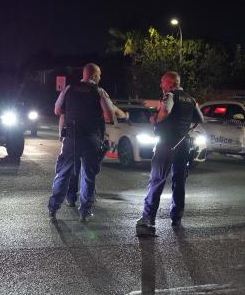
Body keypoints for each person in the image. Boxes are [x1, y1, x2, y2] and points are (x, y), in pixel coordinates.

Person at [135, 71, 204, 233]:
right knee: (179, 181)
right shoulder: (191, 99)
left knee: (157, 179)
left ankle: (148, 219)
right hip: (183, 144)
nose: (161, 85)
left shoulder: (170, 96)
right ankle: (177, 218)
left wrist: (155, 119)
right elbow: (200, 119)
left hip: (167, 143)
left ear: (170, 83)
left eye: (162, 82)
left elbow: (165, 111)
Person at [48, 63, 117, 222]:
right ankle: (85, 212)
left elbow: (57, 110)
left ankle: (53, 208)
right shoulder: (99, 92)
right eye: (99, 75)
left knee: (63, 174)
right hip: (91, 139)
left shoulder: (69, 89)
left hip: (71, 139)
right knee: (88, 176)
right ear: (94, 76)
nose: (100, 78)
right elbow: (109, 116)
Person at [63, 98, 127, 208]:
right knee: (89, 172)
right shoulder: (100, 94)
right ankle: (86, 201)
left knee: (75, 169)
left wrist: (62, 135)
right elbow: (115, 113)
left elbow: (62, 114)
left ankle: (71, 197)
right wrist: (125, 115)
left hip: (75, 138)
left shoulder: (75, 96)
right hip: (92, 140)